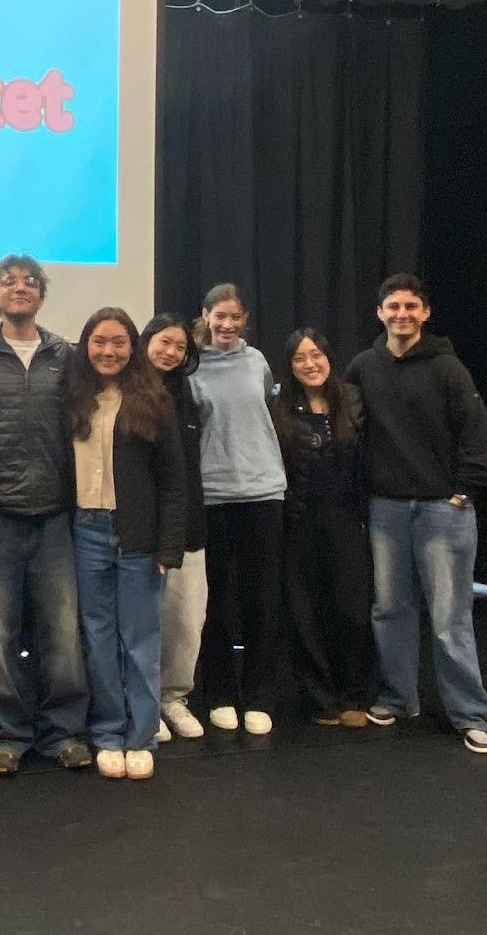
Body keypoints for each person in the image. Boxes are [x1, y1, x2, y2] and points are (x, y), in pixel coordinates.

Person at [345, 274, 487, 754]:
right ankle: (398, 698)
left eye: (411, 306)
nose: (402, 315)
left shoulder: (448, 369)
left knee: (449, 618)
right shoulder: (363, 368)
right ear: (380, 313)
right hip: (386, 508)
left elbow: (480, 435)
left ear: (425, 313)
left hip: (442, 510)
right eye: (393, 306)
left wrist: (464, 489)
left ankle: (471, 714)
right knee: (389, 610)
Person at [0, 255, 91, 774]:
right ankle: (4, 737)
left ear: (42, 295)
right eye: (8, 282)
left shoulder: (67, 355)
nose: (19, 288)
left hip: (54, 515)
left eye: (29, 282)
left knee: (62, 635)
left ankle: (63, 733)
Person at [67, 307, 186, 780]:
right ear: (86, 345)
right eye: (99, 341)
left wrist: (168, 548)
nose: (108, 351)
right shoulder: (73, 397)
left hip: (138, 533)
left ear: (132, 348)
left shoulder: (154, 399)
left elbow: (175, 481)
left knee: (139, 638)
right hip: (85, 530)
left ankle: (141, 735)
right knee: (97, 638)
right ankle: (108, 733)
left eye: (118, 342)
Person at [189, 283, 287, 736]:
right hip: (214, 495)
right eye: (219, 316)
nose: (227, 325)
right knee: (218, 599)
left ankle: (260, 694)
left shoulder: (258, 361)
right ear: (205, 316)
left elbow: (267, 411)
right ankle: (221, 692)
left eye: (235, 317)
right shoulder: (190, 366)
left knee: (262, 598)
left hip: (264, 492)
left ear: (244, 319)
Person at [270, 327, 373, 729]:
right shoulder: (277, 408)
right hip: (296, 523)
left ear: (329, 357)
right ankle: (319, 698)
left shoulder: (353, 400)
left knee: (351, 610)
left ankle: (354, 694)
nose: (309, 364)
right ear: (289, 366)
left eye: (316, 355)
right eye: (299, 358)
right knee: (303, 614)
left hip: (347, 520)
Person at [140, 313, 208, 742]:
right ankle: (143, 702)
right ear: (146, 341)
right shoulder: (124, 391)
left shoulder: (188, 395)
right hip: (138, 528)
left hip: (188, 526)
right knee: (141, 623)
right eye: (164, 342)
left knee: (185, 619)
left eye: (180, 347)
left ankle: (173, 698)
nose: (170, 353)